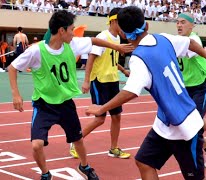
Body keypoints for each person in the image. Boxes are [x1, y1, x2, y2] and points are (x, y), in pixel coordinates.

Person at [85, 6, 206, 180]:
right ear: (146, 25)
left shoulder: (139, 58)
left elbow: (130, 92)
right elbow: (191, 44)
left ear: (123, 34)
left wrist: (101, 109)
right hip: (164, 123)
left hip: (185, 126)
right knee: (143, 161)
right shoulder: (163, 39)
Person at [8, 10, 133, 180]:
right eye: (72, 29)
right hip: (44, 105)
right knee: (36, 145)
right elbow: (13, 67)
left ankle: (84, 166)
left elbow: (94, 40)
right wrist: (16, 94)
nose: (74, 34)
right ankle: (46, 174)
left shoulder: (72, 44)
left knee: (78, 139)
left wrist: (117, 47)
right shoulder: (36, 51)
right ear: (61, 30)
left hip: (66, 104)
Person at [69, 7, 131, 159]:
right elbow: (91, 57)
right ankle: (75, 141)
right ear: (114, 21)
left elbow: (112, 59)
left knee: (117, 117)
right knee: (100, 118)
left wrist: (123, 71)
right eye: (121, 21)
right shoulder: (103, 36)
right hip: (100, 81)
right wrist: (86, 81)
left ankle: (114, 148)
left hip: (113, 81)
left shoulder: (117, 39)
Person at [176, 12, 206, 168]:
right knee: (187, 122)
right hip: (185, 88)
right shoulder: (178, 41)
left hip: (200, 86)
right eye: (177, 22)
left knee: (193, 124)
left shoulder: (193, 39)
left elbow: (187, 48)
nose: (179, 25)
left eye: (183, 22)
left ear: (192, 25)